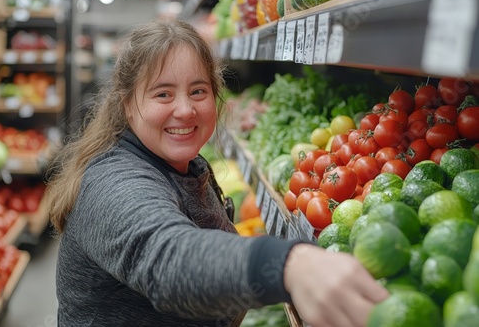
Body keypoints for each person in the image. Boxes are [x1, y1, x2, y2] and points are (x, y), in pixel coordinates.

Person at [43, 17, 388, 327]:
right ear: (128, 107)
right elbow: (170, 259)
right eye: (163, 94)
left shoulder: (186, 165)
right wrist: (287, 265)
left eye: (198, 91)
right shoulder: (113, 184)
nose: (185, 110)